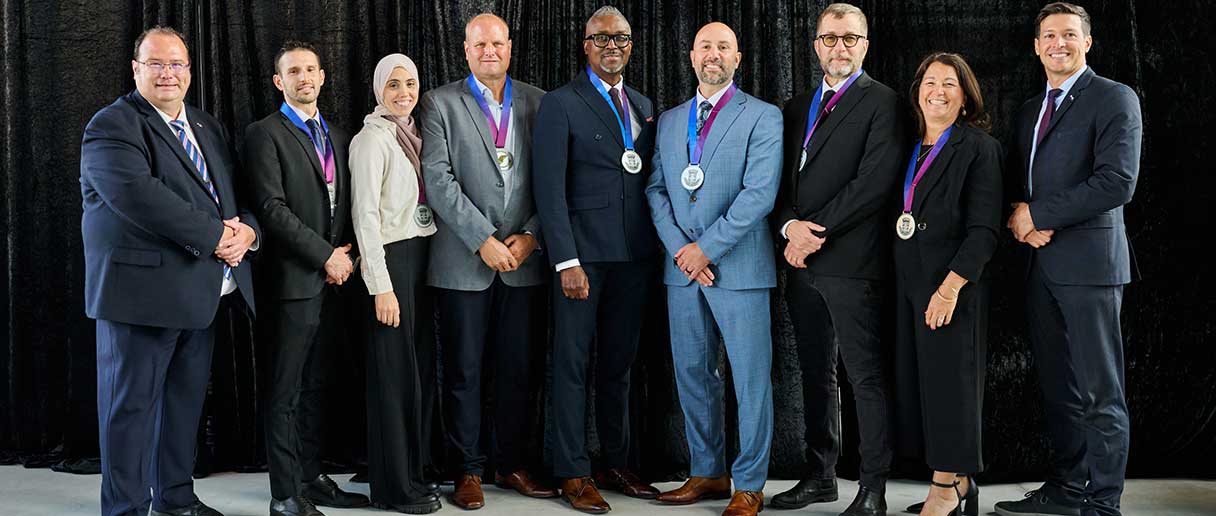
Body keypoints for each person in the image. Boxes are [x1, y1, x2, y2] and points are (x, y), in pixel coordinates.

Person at [81, 26, 259, 516]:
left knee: (182, 407)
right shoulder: (112, 125)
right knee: (130, 413)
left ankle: (176, 500)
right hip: (138, 297)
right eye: (155, 64)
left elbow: (234, 194)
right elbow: (140, 198)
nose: (167, 73)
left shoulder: (205, 125)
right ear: (136, 69)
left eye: (177, 64)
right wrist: (218, 236)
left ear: (189, 71)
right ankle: (126, 509)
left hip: (200, 292)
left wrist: (248, 231)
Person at [995, 4, 1142, 516]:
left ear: (1088, 42)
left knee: (1101, 391)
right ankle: (1064, 488)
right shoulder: (1031, 108)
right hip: (1041, 266)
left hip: (1090, 267)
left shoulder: (1113, 98)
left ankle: (1103, 502)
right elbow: (1021, 183)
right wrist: (1022, 217)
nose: (1060, 43)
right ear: (1036, 46)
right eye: (1050, 36)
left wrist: (1037, 214)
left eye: (1070, 34)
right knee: (1059, 388)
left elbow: (1117, 181)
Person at [768, 4, 904, 515]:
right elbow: (776, 183)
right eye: (829, 38)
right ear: (816, 45)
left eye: (850, 38)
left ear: (865, 45)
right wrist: (787, 227)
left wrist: (812, 234)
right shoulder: (795, 106)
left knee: (864, 377)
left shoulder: (884, 103)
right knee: (815, 373)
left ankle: (873, 488)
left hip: (853, 263)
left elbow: (872, 184)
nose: (839, 47)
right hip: (801, 265)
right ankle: (820, 475)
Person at [418, 12, 555, 510]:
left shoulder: (540, 102)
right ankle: (467, 470)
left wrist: (533, 237)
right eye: (480, 44)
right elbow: (438, 179)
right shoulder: (439, 103)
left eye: (497, 42)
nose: (489, 51)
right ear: (465, 49)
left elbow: (554, 182)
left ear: (510, 47)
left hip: (524, 260)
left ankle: (513, 464)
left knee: (519, 368)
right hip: (463, 262)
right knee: (464, 371)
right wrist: (482, 239)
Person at [645, 21, 782, 516]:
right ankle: (707, 472)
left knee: (749, 378)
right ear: (691, 55)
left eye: (724, 47)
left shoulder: (762, 116)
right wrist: (684, 249)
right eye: (706, 46)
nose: (714, 54)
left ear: (738, 58)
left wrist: (707, 249)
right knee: (692, 374)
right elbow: (656, 190)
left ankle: (749, 483)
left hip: (738, 267)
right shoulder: (669, 120)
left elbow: (760, 194)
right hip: (682, 270)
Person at [532, 6, 662, 513]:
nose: (613, 45)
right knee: (570, 364)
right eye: (602, 38)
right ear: (585, 44)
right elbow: (549, 187)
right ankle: (571, 470)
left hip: (634, 258)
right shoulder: (561, 104)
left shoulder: (643, 103)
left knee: (620, 365)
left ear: (631, 46)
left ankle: (616, 462)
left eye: (622, 38)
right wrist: (566, 261)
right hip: (582, 261)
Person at [243, 40, 368, 516]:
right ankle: (284, 494)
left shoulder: (336, 135)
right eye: (293, 71)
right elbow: (271, 210)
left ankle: (312, 478)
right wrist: (324, 257)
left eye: (311, 70)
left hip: (332, 283)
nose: (304, 78)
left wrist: (341, 257)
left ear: (322, 77)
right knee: (285, 391)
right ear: (280, 81)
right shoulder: (264, 134)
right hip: (292, 283)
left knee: (316, 386)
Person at [890, 52, 1002, 516]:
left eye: (950, 84)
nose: (938, 91)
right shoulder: (909, 146)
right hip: (909, 285)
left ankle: (944, 487)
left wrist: (950, 287)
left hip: (951, 289)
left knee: (951, 387)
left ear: (966, 96)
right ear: (918, 91)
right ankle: (963, 484)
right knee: (924, 387)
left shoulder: (979, 148)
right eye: (930, 82)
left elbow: (984, 231)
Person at [349, 52, 444, 515]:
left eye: (410, 83)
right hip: (390, 263)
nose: (404, 93)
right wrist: (380, 286)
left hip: (420, 257)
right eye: (393, 85)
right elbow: (364, 218)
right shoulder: (372, 140)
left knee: (417, 373)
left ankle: (414, 471)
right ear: (378, 91)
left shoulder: (416, 134)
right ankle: (392, 488)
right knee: (393, 379)